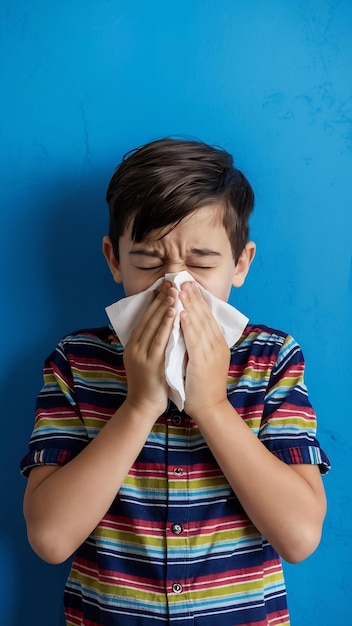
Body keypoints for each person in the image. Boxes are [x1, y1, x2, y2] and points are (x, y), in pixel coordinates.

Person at [21, 138, 330, 626]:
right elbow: (51, 539)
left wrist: (212, 405)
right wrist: (140, 404)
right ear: (114, 259)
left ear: (241, 263)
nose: (175, 287)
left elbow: (298, 537)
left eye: (202, 264)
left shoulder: (270, 359)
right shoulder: (76, 362)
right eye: (148, 261)